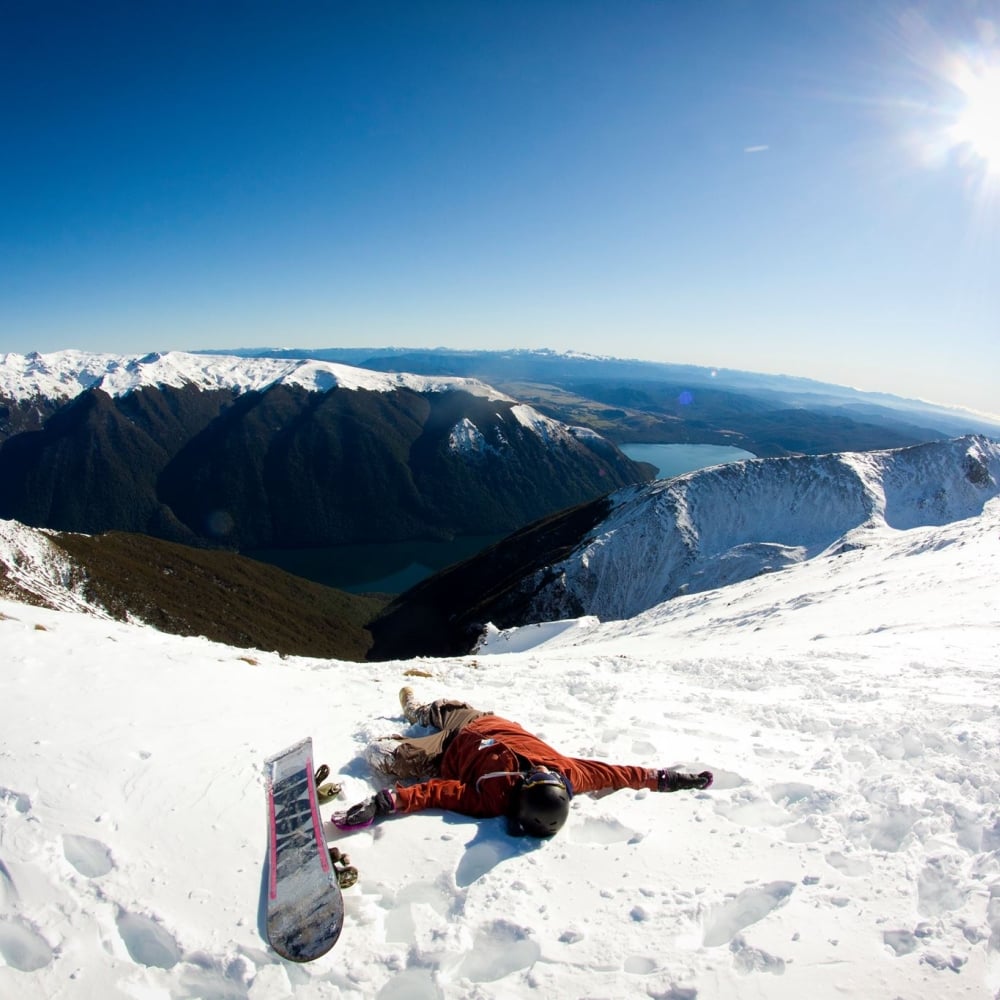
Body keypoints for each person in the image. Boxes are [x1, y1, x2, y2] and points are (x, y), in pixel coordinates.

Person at [332, 688, 713, 838]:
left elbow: (438, 791)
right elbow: (623, 775)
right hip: (481, 721)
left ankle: (406, 733)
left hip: (445, 753)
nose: (544, 770)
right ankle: (417, 710)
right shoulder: (571, 774)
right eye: (549, 777)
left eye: (536, 778)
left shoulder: (493, 798)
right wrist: (672, 779)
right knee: (446, 707)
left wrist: (387, 802)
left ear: (523, 793)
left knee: (383, 755)